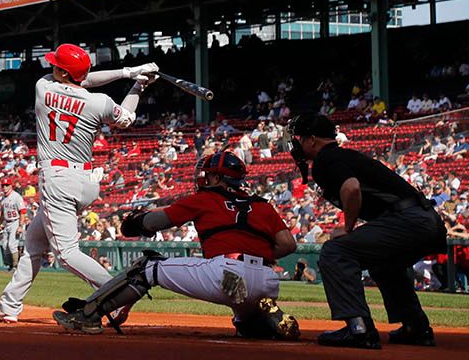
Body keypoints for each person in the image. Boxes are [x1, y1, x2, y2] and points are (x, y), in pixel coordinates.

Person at [0, 44, 157, 324]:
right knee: (34, 242)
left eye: (57, 65)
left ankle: (119, 294)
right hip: (86, 180)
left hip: (58, 180)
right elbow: (125, 116)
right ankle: (9, 305)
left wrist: (129, 73)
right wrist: (136, 82)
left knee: (66, 254)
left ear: (63, 72)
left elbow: (80, 79)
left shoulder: (44, 87)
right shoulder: (98, 102)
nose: (51, 67)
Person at [52, 150, 299, 339]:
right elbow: (288, 244)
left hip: (228, 273)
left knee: (148, 266)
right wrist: (258, 254)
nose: (204, 177)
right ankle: (259, 319)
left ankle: (88, 315)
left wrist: (136, 221)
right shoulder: (262, 204)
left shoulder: (206, 198)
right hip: (266, 280)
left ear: (216, 177)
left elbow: (155, 222)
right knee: (248, 327)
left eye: (209, 174)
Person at [289, 114, 446, 348]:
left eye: (300, 138)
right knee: (384, 262)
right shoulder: (342, 155)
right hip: (427, 220)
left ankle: (358, 328)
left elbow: (351, 188)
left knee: (335, 252)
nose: (297, 144)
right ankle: (416, 327)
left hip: (410, 219)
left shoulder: (326, 158)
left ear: (312, 140)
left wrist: (348, 227)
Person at [0, 181, 25, 271]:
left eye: (7, 185)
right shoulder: (3, 198)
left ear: (11, 186)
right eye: (3, 185)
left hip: (16, 221)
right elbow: (2, 213)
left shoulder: (17, 197)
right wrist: (0, 223)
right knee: (4, 245)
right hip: (7, 222)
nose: (5, 187)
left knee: (12, 245)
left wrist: (20, 226)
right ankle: (9, 265)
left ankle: (15, 266)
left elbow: (22, 212)